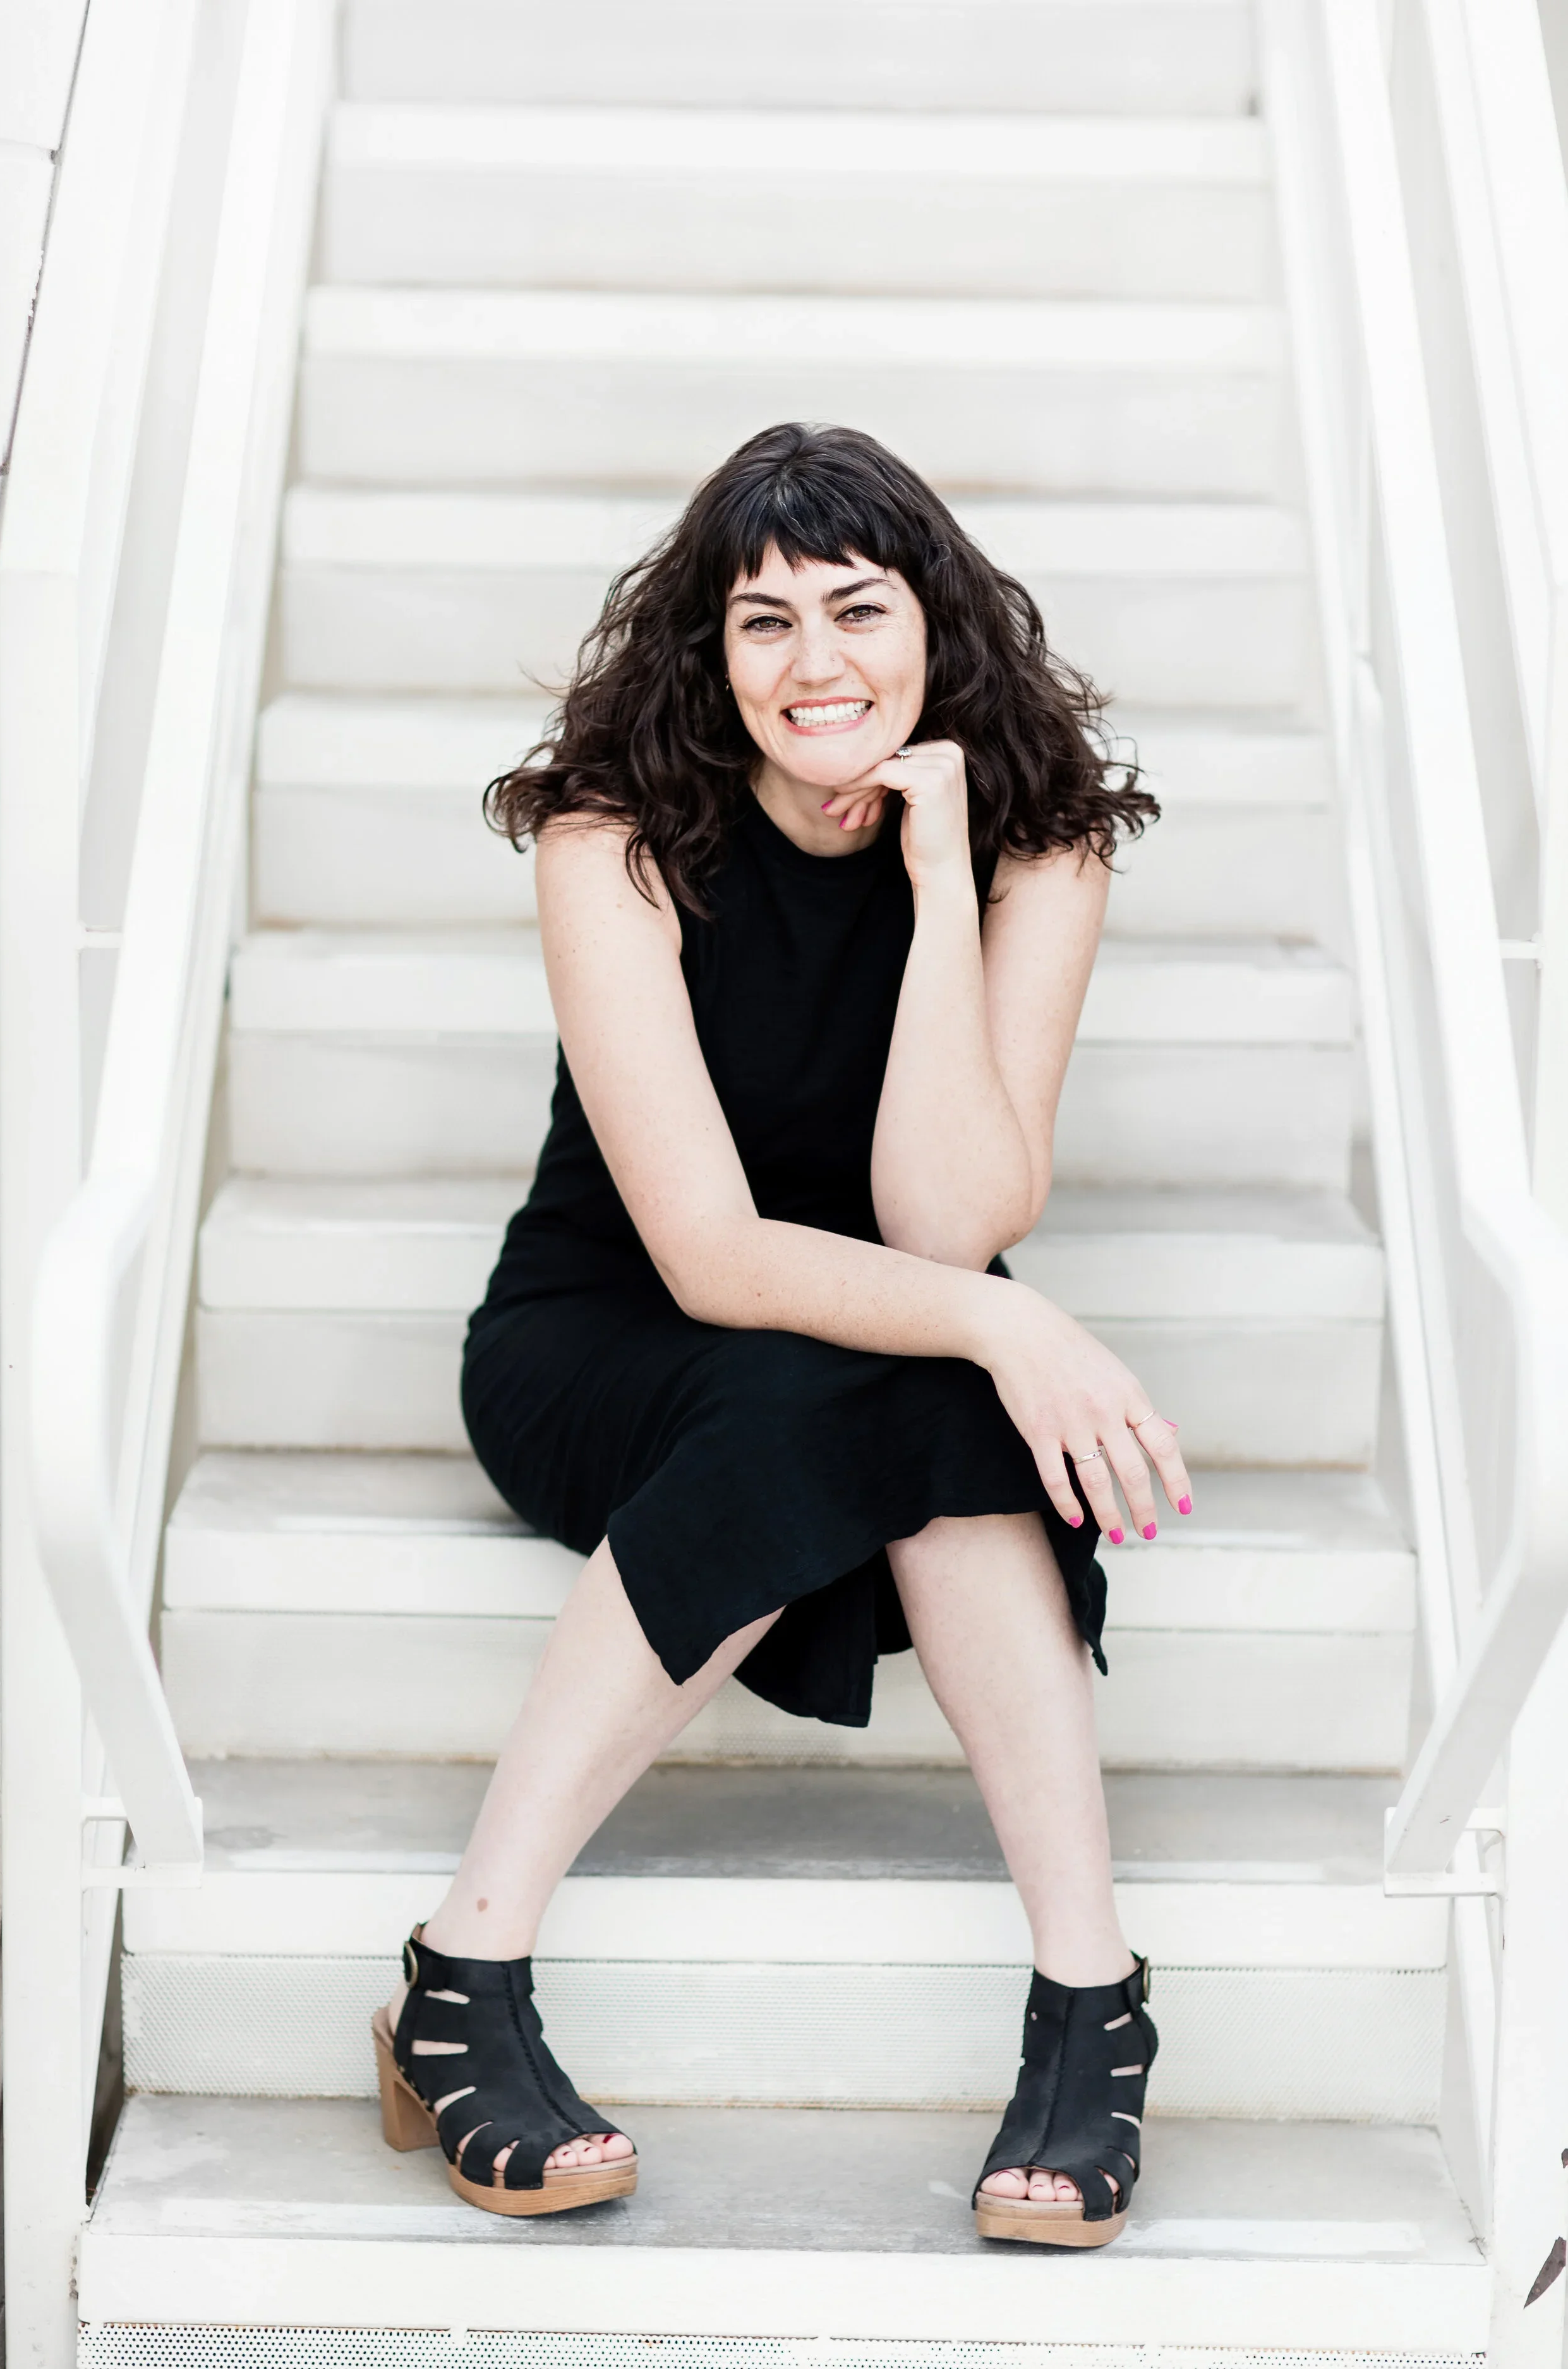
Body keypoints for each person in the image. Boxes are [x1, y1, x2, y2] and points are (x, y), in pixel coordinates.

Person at [369, 421, 1185, 2247]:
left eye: (856, 608)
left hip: (848, 1345)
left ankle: (1085, 2000)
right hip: (598, 1339)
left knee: (929, 1384)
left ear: (933, 625)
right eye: (763, 621)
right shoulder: (617, 837)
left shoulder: (1036, 848)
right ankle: (463, 1963)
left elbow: (940, 1218)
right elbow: (714, 1251)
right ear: (706, 652)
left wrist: (932, 878)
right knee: (900, 1371)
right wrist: (993, 1321)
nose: (814, 663)